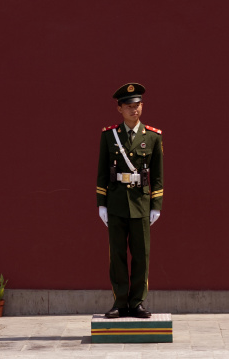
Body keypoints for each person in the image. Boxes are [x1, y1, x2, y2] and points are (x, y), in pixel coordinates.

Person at [96, 83, 163, 318]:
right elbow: (102, 172)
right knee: (117, 256)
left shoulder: (153, 137)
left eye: (138, 105)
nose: (134, 110)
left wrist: (156, 206)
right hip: (116, 203)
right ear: (119, 109)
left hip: (141, 203)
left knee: (141, 255)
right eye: (129, 106)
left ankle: (137, 303)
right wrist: (101, 204)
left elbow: (157, 176)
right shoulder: (109, 135)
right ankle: (119, 302)